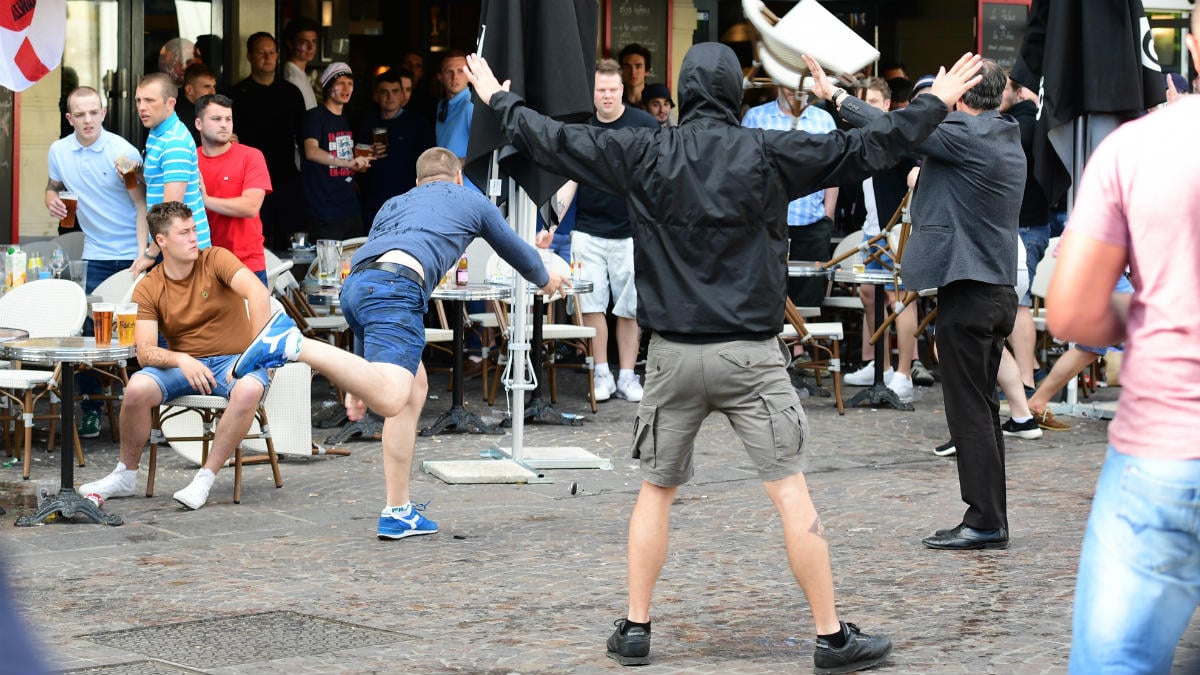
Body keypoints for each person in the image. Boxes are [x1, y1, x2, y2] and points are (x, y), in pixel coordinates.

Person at [463, 44, 983, 672]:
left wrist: (497, 97)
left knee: (655, 493)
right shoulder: (767, 150)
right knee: (791, 493)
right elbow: (870, 149)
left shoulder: (646, 148)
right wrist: (932, 102)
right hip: (750, 355)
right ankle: (829, 636)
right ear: (737, 93)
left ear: (683, 91)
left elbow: (553, 140)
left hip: (672, 356)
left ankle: (635, 627)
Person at [229, 147, 570, 540]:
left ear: (417, 184)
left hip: (358, 288)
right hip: (397, 288)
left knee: (413, 391)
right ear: (458, 178)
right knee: (392, 398)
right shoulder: (469, 198)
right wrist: (544, 278)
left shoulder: (394, 204)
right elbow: (510, 245)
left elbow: (369, 283)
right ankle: (291, 344)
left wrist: (357, 384)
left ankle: (398, 510)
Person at [1052, 15, 1200, 670]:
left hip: (1165, 448)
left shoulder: (1138, 147)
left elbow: (1072, 310)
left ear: (1196, 42)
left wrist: (1144, 312)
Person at [829, 60, 1025, 551]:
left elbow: (893, 126)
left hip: (972, 291)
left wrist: (837, 98)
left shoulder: (964, 132)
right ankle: (990, 517)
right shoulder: (1004, 133)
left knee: (970, 413)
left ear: (961, 99)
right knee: (981, 407)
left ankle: (984, 521)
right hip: (993, 291)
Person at [76, 201, 275, 510]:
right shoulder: (150, 285)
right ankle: (125, 475)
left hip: (236, 360)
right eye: (184, 233)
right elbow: (145, 352)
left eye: (194, 229)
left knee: (249, 388)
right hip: (187, 364)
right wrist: (181, 359)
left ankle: (204, 478)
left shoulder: (216, 259)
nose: (194, 237)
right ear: (161, 241)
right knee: (137, 388)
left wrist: (253, 358)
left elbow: (259, 294)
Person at [46, 85, 152, 439]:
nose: (88, 120)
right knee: (91, 336)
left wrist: (142, 256)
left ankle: (149, 411)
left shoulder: (121, 152)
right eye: (80, 114)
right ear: (69, 118)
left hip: (130, 254)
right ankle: (92, 410)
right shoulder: (59, 151)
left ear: (103, 113)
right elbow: (53, 184)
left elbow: (142, 205)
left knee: (141, 335)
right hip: (94, 253)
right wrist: (51, 199)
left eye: (94, 112)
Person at [556, 59, 657, 403]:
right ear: (593, 92)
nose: (608, 96)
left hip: (632, 233)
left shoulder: (644, 125)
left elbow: (657, 178)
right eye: (601, 90)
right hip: (587, 230)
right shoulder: (583, 127)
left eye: (613, 90)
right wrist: (551, 224)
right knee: (592, 305)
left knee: (630, 308)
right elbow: (569, 180)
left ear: (622, 90)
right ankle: (601, 373)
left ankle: (628, 376)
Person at [838, 78, 919, 401]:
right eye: (863, 101)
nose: (867, 107)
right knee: (869, 294)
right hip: (872, 229)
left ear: (886, 104)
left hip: (898, 230)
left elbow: (914, 173)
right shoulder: (863, 139)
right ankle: (881, 368)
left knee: (900, 299)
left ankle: (903, 375)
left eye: (872, 100)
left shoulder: (897, 136)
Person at [742, 84, 839, 308]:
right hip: (766, 225)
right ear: (777, 81)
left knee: (809, 299)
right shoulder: (756, 118)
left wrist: (828, 216)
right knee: (764, 296)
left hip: (812, 224)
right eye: (789, 84)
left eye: (801, 84)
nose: (795, 90)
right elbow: (743, 169)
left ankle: (801, 345)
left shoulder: (823, 120)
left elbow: (835, 172)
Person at [228, 32, 308, 251]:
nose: (268, 57)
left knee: (291, 242)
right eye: (261, 53)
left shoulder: (291, 93)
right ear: (249, 56)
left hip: (286, 177)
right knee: (255, 241)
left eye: (272, 52)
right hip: (249, 182)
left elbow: (303, 139)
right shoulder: (237, 94)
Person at [999, 77, 1051, 391]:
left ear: (1018, 92)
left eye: (1002, 88)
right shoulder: (1032, 122)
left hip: (1025, 226)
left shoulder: (1022, 126)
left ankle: (1026, 381)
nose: (996, 94)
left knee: (1017, 304)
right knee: (1014, 302)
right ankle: (1029, 369)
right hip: (1029, 225)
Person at [196, 94, 271, 286]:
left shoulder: (251, 156)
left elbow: (251, 206)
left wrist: (205, 200)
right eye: (216, 119)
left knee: (253, 318)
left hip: (246, 265)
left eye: (228, 119)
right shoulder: (190, 159)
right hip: (201, 266)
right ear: (199, 124)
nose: (224, 124)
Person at [137, 72, 211, 253]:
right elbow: (160, 183)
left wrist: (150, 255)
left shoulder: (174, 142)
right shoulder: (158, 132)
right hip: (171, 244)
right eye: (138, 100)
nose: (142, 107)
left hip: (184, 249)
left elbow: (169, 210)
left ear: (170, 103)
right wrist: (135, 173)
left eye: (149, 100)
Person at [300, 62, 371, 240]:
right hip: (324, 210)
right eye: (340, 83)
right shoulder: (315, 116)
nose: (346, 88)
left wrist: (364, 159)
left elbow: (351, 156)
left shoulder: (349, 117)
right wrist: (347, 163)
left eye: (350, 83)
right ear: (327, 86)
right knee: (328, 267)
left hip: (350, 208)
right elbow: (311, 151)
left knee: (354, 265)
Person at [356, 69, 435, 225]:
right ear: (376, 95)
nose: (390, 96)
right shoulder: (367, 122)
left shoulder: (417, 123)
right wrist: (367, 153)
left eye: (395, 91)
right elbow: (359, 167)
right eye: (384, 92)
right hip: (374, 203)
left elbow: (429, 163)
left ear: (402, 95)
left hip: (408, 201)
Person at [434, 49, 477, 192]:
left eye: (461, 71)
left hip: (467, 188)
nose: (454, 77)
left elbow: (487, 148)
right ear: (440, 76)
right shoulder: (442, 106)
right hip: (445, 186)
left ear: (469, 75)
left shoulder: (470, 106)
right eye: (449, 71)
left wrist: (456, 163)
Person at [282, 17, 319, 110]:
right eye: (304, 41)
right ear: (290, 44)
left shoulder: (300, 74)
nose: (311, 47)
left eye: (313, 41)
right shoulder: (292, 78)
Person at [175, 62, 216, 145]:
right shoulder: (178, 113)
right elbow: (185, 143)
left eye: (214, 86)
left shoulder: (204, 109)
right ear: (189, 89)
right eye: (207, 86)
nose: (213, 92)